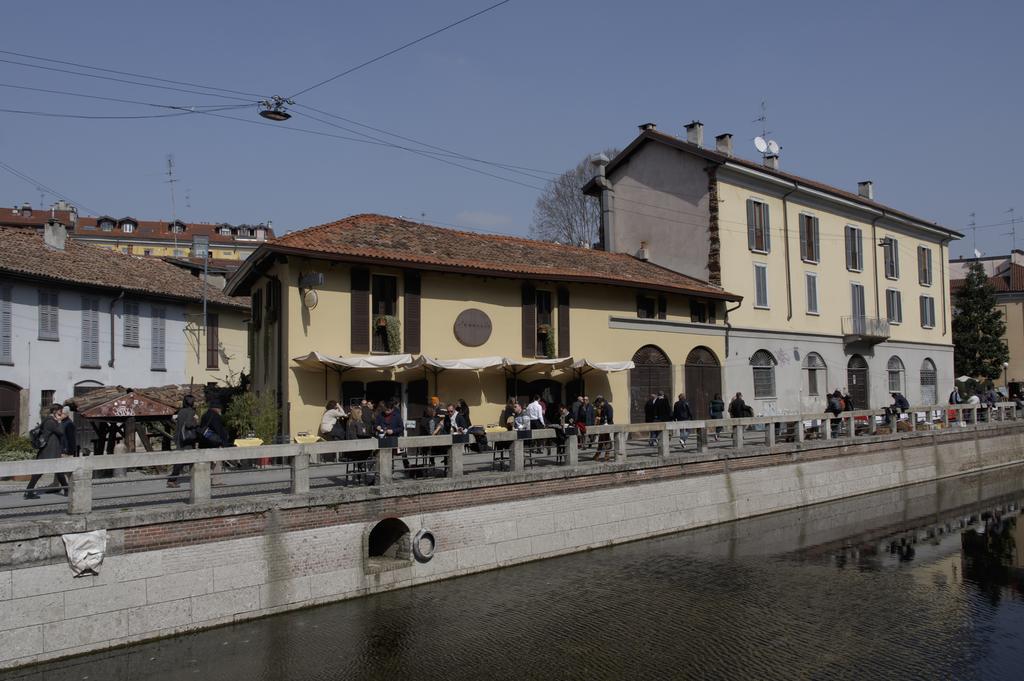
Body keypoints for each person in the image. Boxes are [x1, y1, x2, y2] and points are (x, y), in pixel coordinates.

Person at [24, 404, 68, 499]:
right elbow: (61, 432)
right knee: (45, 471)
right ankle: (28, 492)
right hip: (49, 450)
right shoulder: (50, 422)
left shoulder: (51, 420)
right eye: (60, 410)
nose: (61, 412)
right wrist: (60, 421)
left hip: (50, 450)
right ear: (55, 411)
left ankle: (66, 489)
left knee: (54, 471)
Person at [168, 395, 198, 488]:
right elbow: (189, 424)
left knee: (182, 458)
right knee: (185, 459)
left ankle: (173, 478)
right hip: (187, 439)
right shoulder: (191, 412)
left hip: (179, 438)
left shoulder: (181, 411)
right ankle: (172, 479)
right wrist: (196, 421)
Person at [593, 395, 614, 461]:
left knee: (606, 440)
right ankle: (597, 455)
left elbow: (610, 417)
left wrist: (600, 418)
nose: (598, 405)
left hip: (607, 426)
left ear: (601, 402)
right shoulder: (603, 407)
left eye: (598, 403)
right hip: (602, 426)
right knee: (601, 440)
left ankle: (606, 455)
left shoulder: (608, 407)